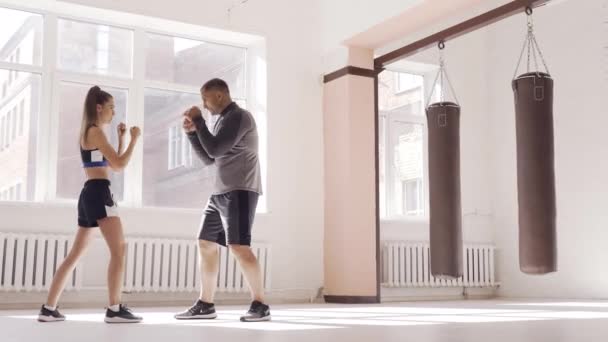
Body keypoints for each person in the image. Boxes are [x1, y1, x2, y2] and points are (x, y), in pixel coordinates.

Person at [38, 86, 143, 323]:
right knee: (119, 249)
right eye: (111, 107)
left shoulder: (91, 132)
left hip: (89, 193)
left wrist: (121, 139)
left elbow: (109, 164)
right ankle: (115, 309)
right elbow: (119, 165)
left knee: (75, 254)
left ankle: (48, 308)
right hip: (99, 192)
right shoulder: (96, 132)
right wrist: (134, 140)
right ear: (99, 107)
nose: (113, 112)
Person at [174, 78, 270, 322]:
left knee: (239, 246)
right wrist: (192, 134)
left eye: (205, 99)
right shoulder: (221, 122)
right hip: (219, 192)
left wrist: (198, 120)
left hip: (240, 189)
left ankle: (260, 304)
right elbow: (210, 158)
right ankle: (206, 304)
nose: (204, 106)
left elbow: (215, 150)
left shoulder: (239, 117)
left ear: (218, 96)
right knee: (205, 242)